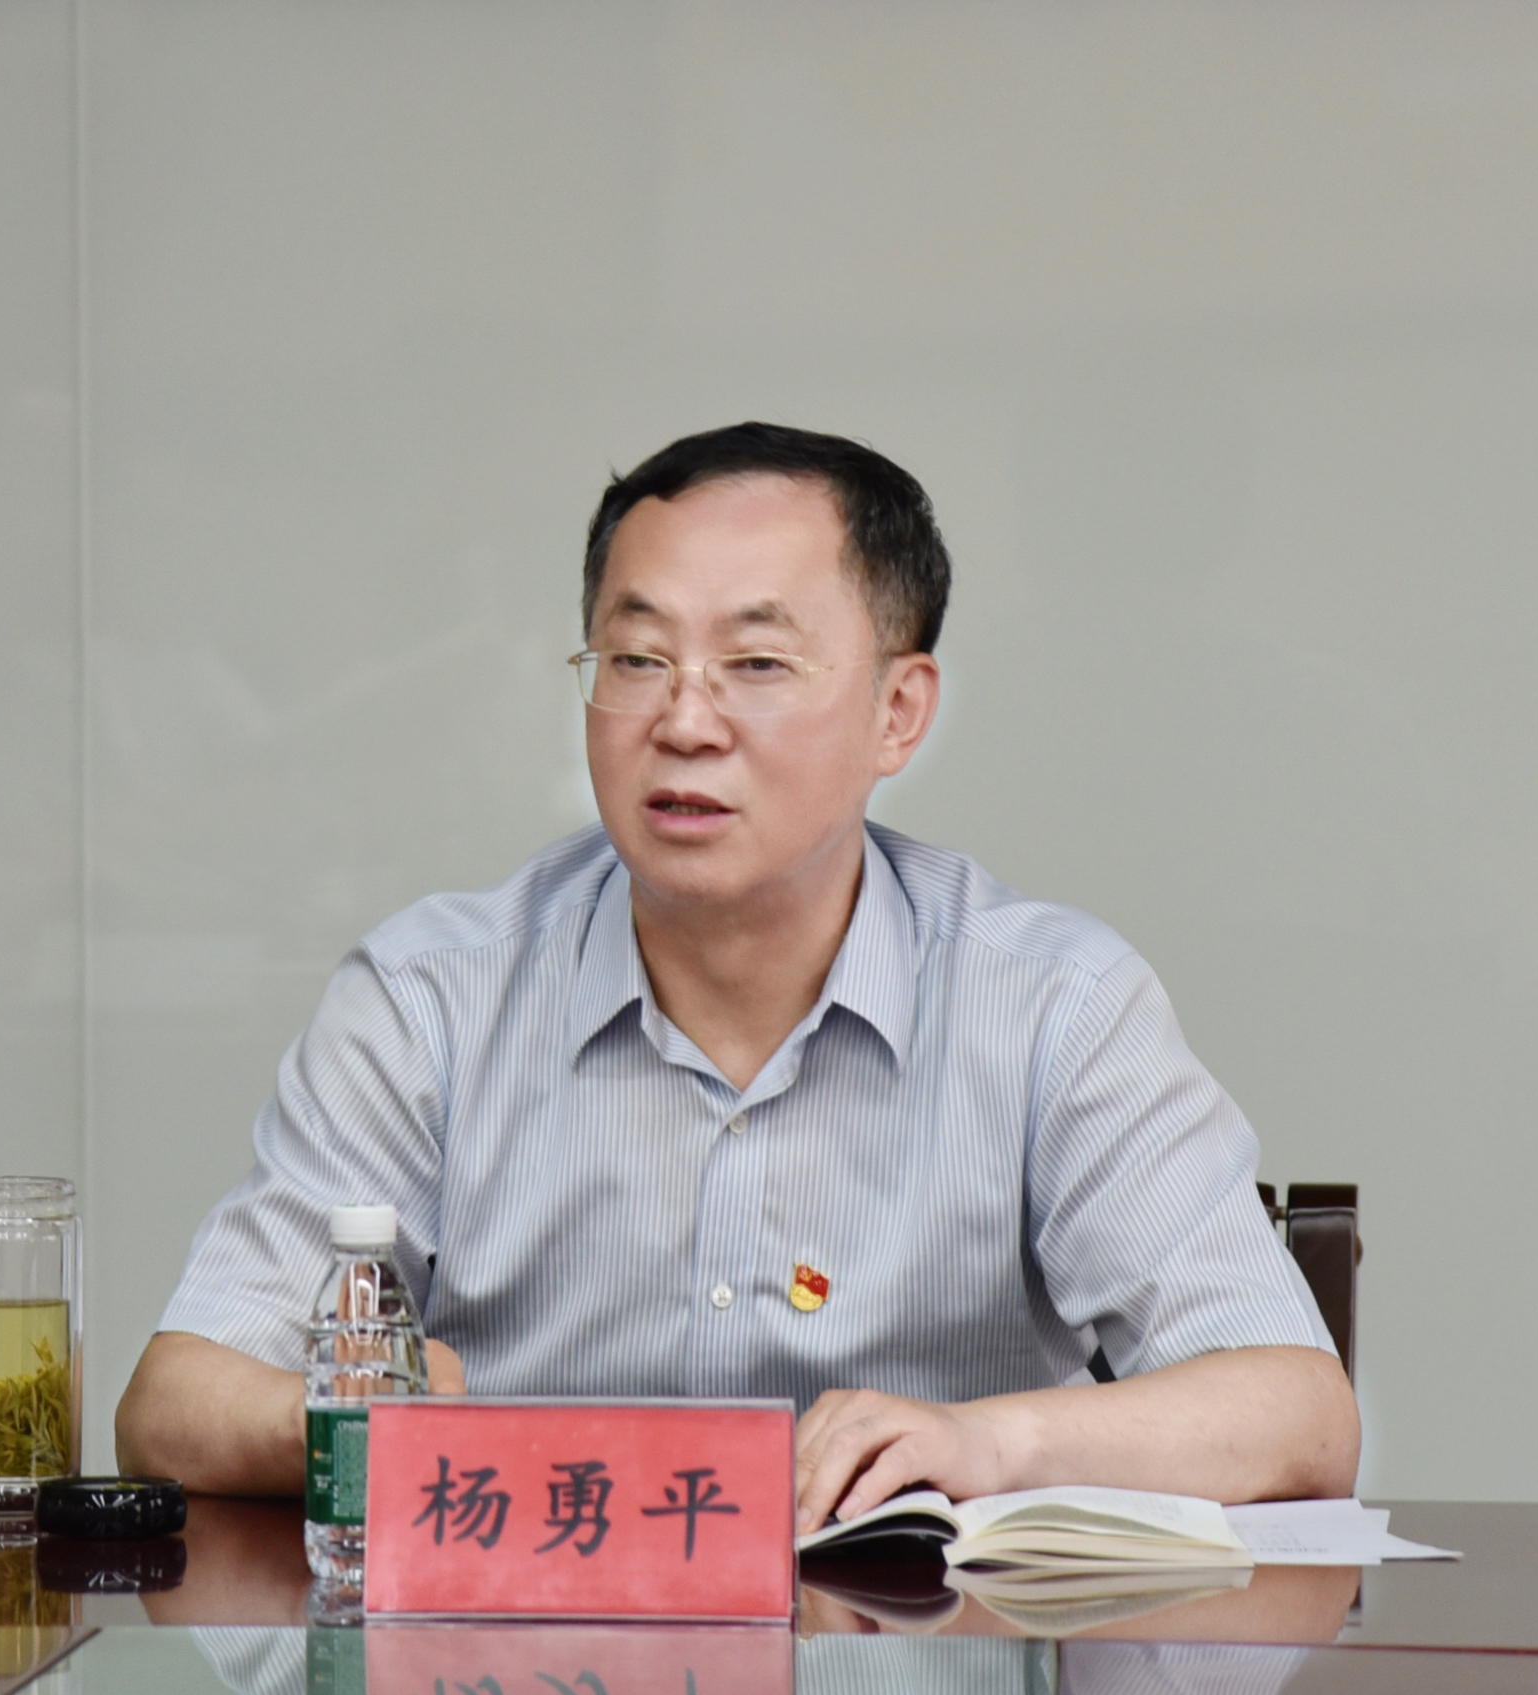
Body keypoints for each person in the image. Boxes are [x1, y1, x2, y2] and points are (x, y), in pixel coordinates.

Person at [116, 423, 1360, 1528]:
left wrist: (984, 1443)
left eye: (755, 665)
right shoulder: (429, 1000)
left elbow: (1296, 1414)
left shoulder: (1050, 1007)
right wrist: (351, 1420)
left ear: (898, 711)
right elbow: (173, 1402)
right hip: (538, 1662)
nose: (683, 721)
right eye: (635, 659)